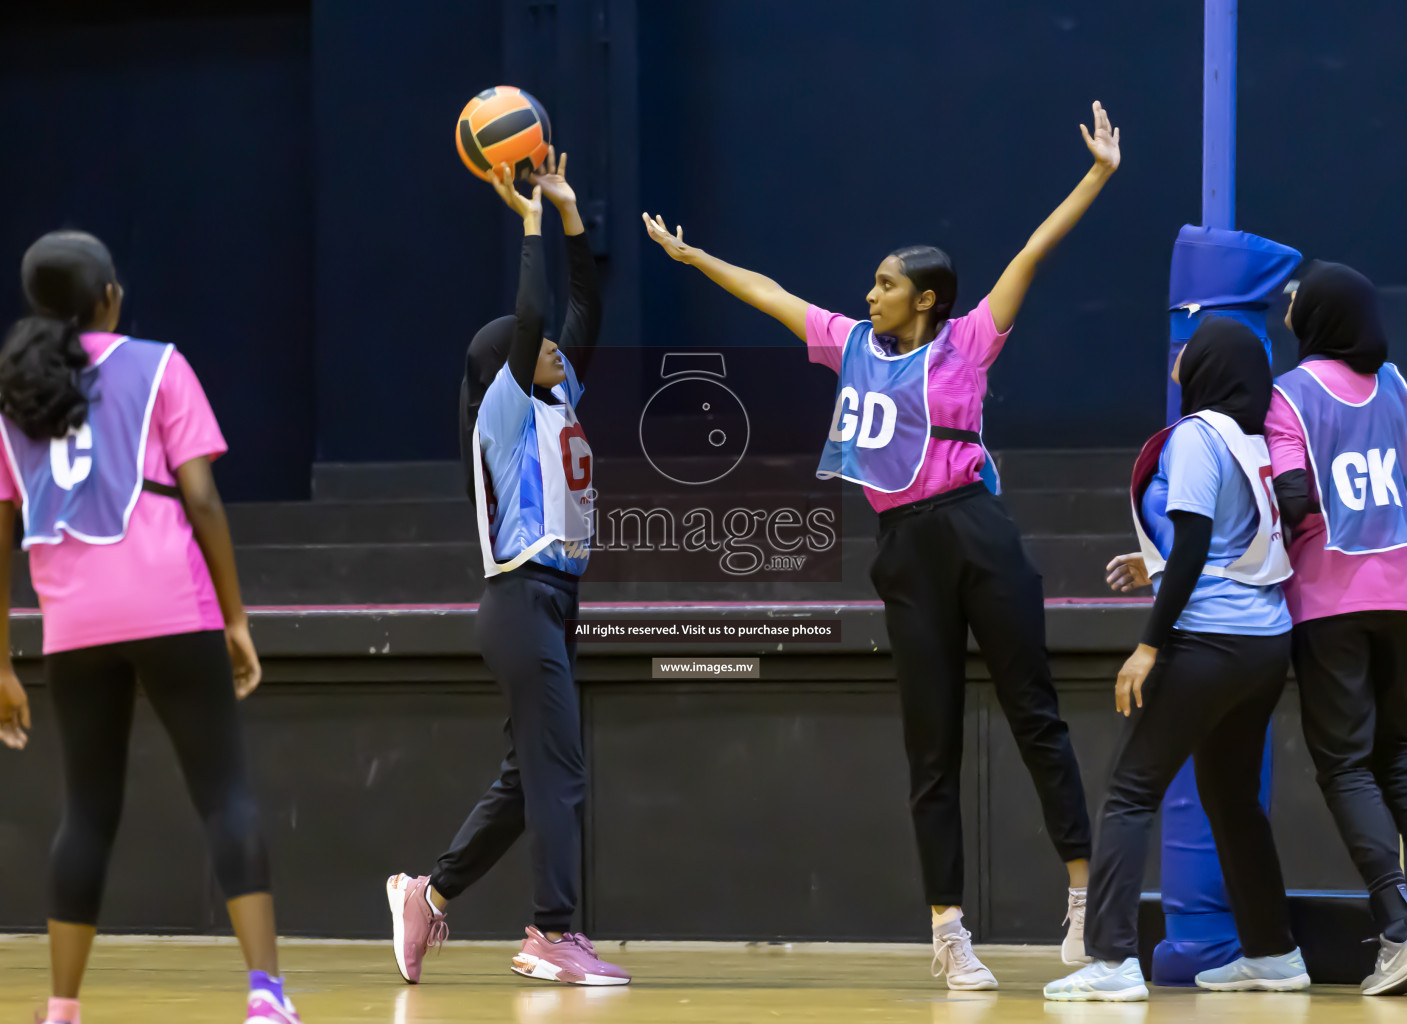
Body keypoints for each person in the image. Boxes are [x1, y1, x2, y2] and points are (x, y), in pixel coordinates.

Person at [642, 101, 1123, 988]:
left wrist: (1095, 174)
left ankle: (1081, 907)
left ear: (927, 298)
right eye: (870, 283)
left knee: (1035, 717)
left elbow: (1026, 255)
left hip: (977, 528)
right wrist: (692, 257)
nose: (869, 293)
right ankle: (949, 932)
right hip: (903, 548)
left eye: (885, 283)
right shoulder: (848, 343)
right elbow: (773, 296)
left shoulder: (969, 343)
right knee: (929, 743)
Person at [0, 231, 298, 1024]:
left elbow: (1, 534)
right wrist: (235, 618)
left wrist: (0, 665)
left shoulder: (15, 394)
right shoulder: (159, 364)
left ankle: (62, 1006)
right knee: (223, 795)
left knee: (86, 810)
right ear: (107, 297)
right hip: (170, 602)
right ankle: (265, 995)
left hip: (72, 620)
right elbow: (200, 498)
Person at [386, 150, 629, 987]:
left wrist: (567, 216)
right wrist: (525, 220)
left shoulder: (555, 400)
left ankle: (430, 892)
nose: (560, 346)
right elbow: (532, 316)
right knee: (560, 772)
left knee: (531, 778)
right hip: (521, 597)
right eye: (543, 345)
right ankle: (550, 933)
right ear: (510, 368)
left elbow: (583, 306)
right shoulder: (504, 408)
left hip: (552, 603)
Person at [1047, 318, 1308, 1002]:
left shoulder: (1196, 434)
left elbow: (1194, 542)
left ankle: (1108, 960)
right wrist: (1155, 564)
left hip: (1207, 640)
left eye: (1191, 347)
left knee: (1130, 792)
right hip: (1263, 640)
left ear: (1211, 365)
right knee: (1230, 796)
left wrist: (1147, 644)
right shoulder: (1255, 439)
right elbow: (1225, 540)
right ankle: (1273, 952)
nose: (1179, 354)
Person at [1265, 260, 1407, 996]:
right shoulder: (1397, 385)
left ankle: (1396, 924)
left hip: (1330, 601)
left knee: (1347, 766)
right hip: (1404, 597)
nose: (1286, 312)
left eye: (1295, 304)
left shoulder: (1289, 395)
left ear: (1318, 316)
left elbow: (1289, 498)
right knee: (1397, 761)